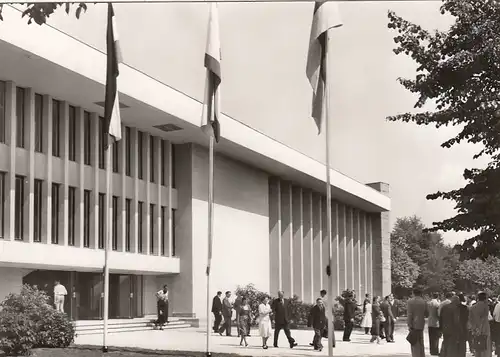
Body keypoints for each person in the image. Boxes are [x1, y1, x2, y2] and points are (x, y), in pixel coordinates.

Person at [469, 291, 492, 357]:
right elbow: (484, 318)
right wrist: (480, 329)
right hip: (484, 329)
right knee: (485, 347)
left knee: (477, 346)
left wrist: (474, 328)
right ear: (485, 298)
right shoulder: (486, 307)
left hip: (475, 329)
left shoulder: (472, 307)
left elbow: (470, 319)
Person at [407, 288, 427, 357]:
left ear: (413, 293)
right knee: (421, 341)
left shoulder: (410, 301)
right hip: (421, 323)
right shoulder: (423, 301)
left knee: (414, 342)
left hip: (413, 324)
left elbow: (409, 314)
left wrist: (409, 324)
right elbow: (426, 313)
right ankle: (422, 355)